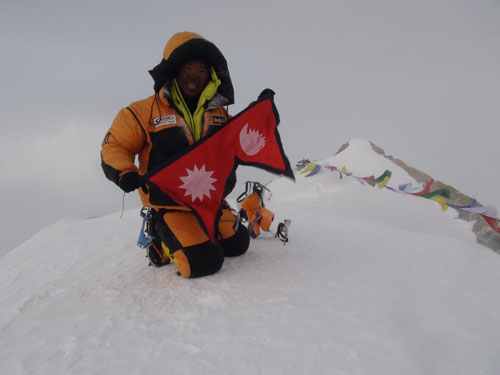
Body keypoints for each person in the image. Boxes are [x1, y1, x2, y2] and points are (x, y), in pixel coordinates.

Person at [101, 31, 250, 278]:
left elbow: (240, 143)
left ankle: (203, 228)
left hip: (207, 200)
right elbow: (115, 146)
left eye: (202, 70)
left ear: (211, 75)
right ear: (173, 70)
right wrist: (124, 172)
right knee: (204, 263)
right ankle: (160, 237)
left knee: (238, 245)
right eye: (187, 67)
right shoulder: (141, 112)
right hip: (169, 203)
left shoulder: (220, 113)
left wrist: (259, 120)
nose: (194, 75)